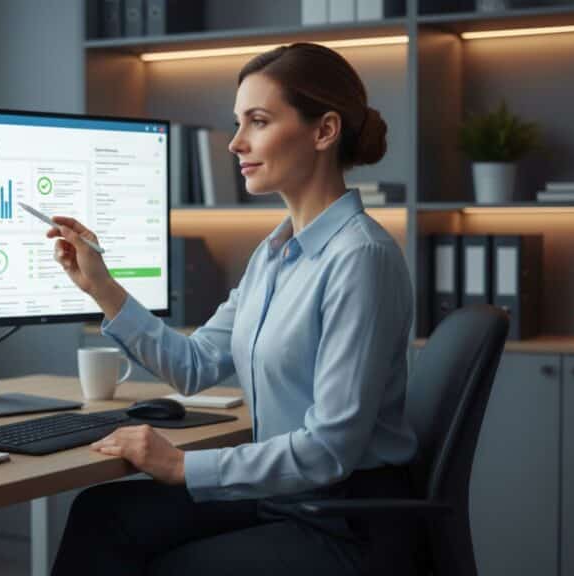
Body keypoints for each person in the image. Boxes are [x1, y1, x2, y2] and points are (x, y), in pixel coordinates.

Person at [47, 43, 420, 575]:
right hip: (289, 496)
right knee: (104, 514)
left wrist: (180, 465)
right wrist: (101, 287)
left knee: (168, 563)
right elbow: (196, 364)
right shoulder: (275, 253)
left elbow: (330, 449)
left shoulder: (360, 258)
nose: (236, 142)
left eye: (258, 121)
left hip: (344, 520)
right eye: (237, 122)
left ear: (324, 131)